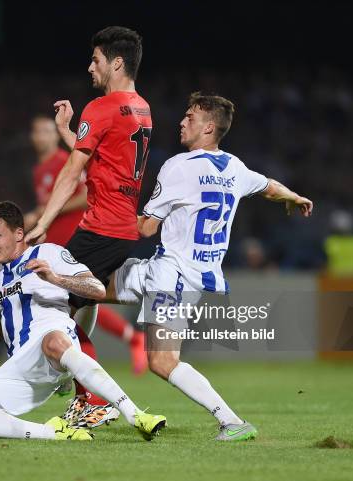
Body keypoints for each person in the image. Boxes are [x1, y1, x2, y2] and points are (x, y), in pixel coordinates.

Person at [104, 92, 314, 441]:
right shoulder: (235, 168)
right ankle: (82, 393)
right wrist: (294, 196)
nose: (181, 122)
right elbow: (268, 187)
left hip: (174, 275)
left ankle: (231, 421)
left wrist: (112, 203)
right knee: (85, 287)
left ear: (209, 127)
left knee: (162, 361)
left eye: (190, 117)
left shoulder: (178, 167)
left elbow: (145, 228)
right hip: (180, 272)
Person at [0, 201, 166, 441]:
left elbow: (95, 289)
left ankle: (136, 415)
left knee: (52, 341)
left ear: (18, 234)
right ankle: (51, 433)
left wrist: (56, 280)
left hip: (54, 348)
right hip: (19, 367)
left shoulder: (47, 254)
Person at [24, 26, 151, 428]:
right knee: (85, 300)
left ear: (115, 62)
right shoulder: (142, 107)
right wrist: (68, 132)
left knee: (50, 305)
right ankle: (84, 392)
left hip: (99, 228)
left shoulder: (101, 107)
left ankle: (92, 397)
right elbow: (104, 161)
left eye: (95, 59)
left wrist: (42, 222)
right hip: (122, 227)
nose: (89, 66)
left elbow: (72, 171)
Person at [24, 115, 147, 375]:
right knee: (79, 302)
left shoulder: (63, 161)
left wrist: (40, 215)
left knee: (76, 299)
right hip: (56, 240)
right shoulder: (39, 170)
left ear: (55, 136)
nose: (41, 137)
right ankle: (69, 372)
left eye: (47, 131)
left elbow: (82, 197)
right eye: (37, 132)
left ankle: (75, 374)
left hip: (78, 237)